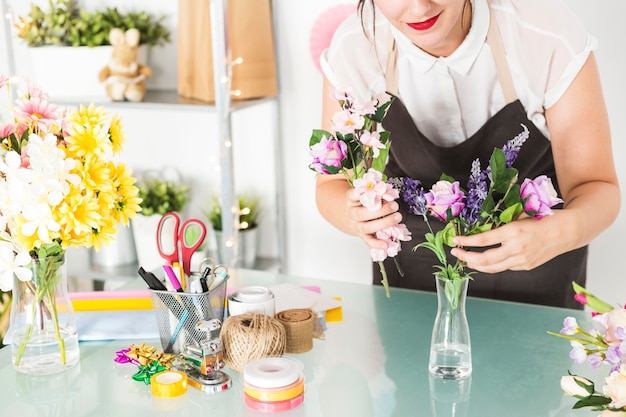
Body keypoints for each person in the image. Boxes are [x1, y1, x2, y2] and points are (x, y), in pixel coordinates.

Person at [315, 0, 620, 309]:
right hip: (411, 293)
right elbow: (330, 186)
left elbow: (596, 187)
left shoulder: (545, 36)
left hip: (536, 289)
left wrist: (557, 233)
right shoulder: (354, 50)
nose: (419, 8)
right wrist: (354, 215)